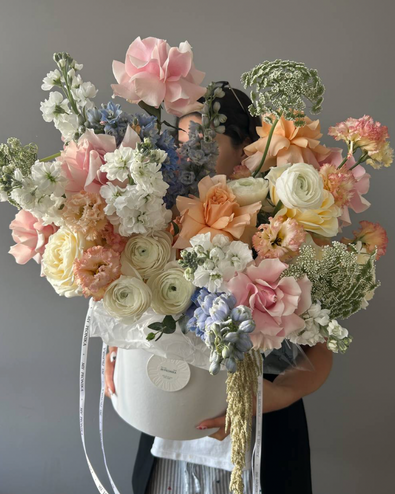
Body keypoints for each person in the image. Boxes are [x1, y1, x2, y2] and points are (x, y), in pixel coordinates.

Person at [105, 84, 333, 494]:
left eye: (205, 142)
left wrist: (277, 395)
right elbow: (124, 309)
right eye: (182, 142)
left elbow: (321, 351)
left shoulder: (284, 231)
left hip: (259, 448)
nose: (190, 154)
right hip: (167, 437)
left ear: (245, 148)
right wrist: (116, 348)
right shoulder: (154, 218)